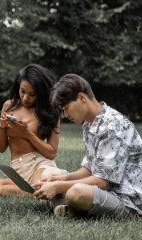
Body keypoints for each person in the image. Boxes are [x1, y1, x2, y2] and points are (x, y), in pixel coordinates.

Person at [32, 74, 142, 218]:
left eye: (66, 108)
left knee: (76, 192)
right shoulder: (89, 123)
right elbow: (89, 169)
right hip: (104, 189)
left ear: (82, 98)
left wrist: (58, 186)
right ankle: (66, 206)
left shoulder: (112, 126)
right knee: (48, 173)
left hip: (125, 199)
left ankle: (64, 203)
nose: (65, 115)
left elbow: (101, 181)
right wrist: (60, 180)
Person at [0, 64, 64, 197]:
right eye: (22, 91)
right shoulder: (9, 105)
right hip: (17, 170)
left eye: (32, 94)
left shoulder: (50, 112)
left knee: (39, 185)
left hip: (39, 164)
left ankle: (40, 190)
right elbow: (1, 148)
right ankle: (35, 192)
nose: (26, 98)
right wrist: (2, 127)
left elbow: (51, 153)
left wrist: (27, 132)